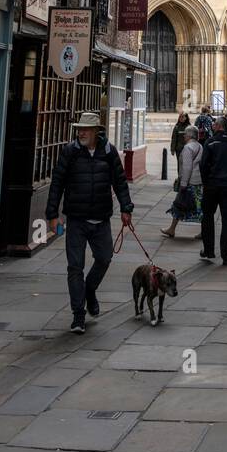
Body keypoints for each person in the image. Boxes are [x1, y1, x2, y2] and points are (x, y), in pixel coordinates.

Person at [46, 112, 133, 333]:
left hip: (101, 218)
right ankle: (78, 316)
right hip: (76, 219)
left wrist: (126, 208)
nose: (81, 132)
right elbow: (57, 183)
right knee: (75, 267)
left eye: (85, 129)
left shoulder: (108, 151)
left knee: (104, 259)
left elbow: (120, 182)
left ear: (96, 132)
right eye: (79, 129)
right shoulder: (70, 152)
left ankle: (90, 290)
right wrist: (52, 214)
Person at [199, 117, 227, 265]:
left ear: (218, 126)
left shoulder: (210, 142)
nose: (212, 125)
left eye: (214, 124)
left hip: (211, 185)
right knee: (226, 221)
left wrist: (206, 183)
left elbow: (203, 165)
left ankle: (209, 250)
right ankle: (226, 255)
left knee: (208, 218)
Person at [162, 125, 203, 237]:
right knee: (199, 207)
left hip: (189, 182)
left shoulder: (187, 148)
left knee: (179, 204)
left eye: (185, 134)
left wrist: (183, 183)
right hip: (198, 181)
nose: (184, 136)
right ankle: (203, 231)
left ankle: (172, 229)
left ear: (189, 135)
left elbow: (187, 167)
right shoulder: (200, 146)